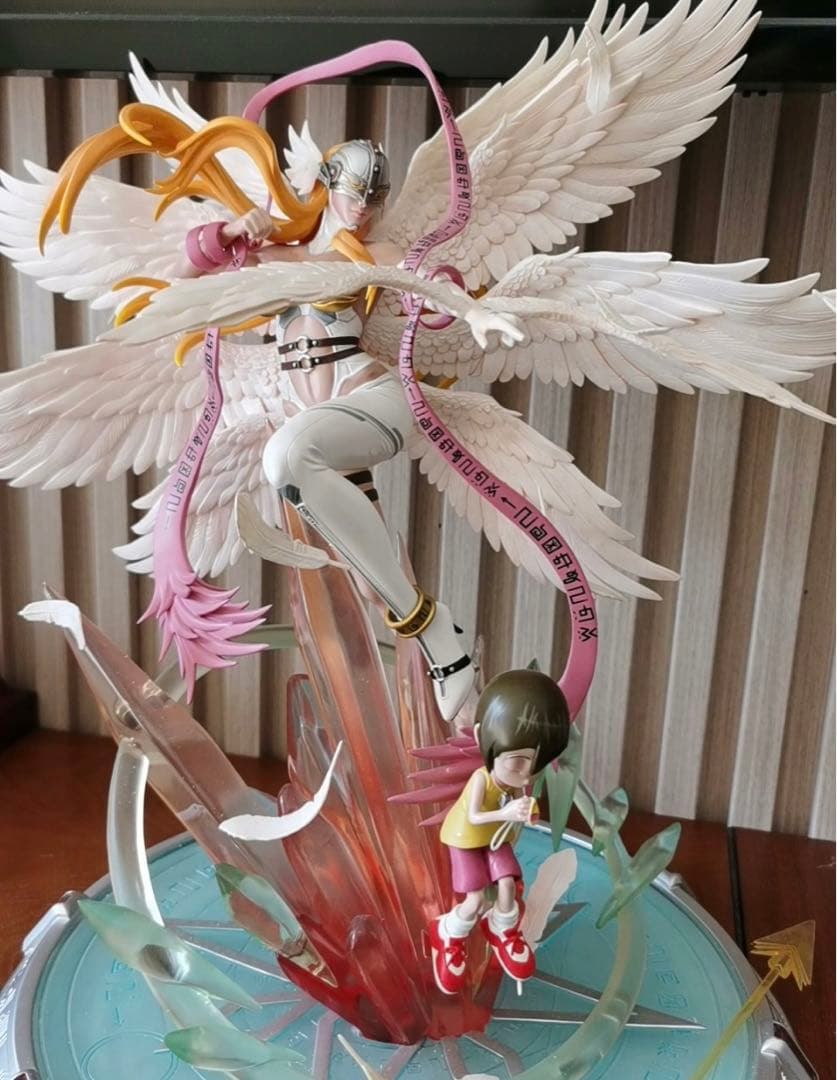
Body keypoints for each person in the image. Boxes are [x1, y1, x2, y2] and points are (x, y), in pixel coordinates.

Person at [428, 668, 570, 994]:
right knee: (475, 897)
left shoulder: (517, 781)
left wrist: (528, 812)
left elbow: (520, 806)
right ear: (482, 738)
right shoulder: (481, 778)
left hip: (496, 837)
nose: (526, 775)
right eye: (517, 761)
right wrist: (506, 812)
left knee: (507, 884)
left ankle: (502, 929)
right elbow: (474, 816)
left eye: (535, 765)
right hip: (466, 838)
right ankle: (447, 932)